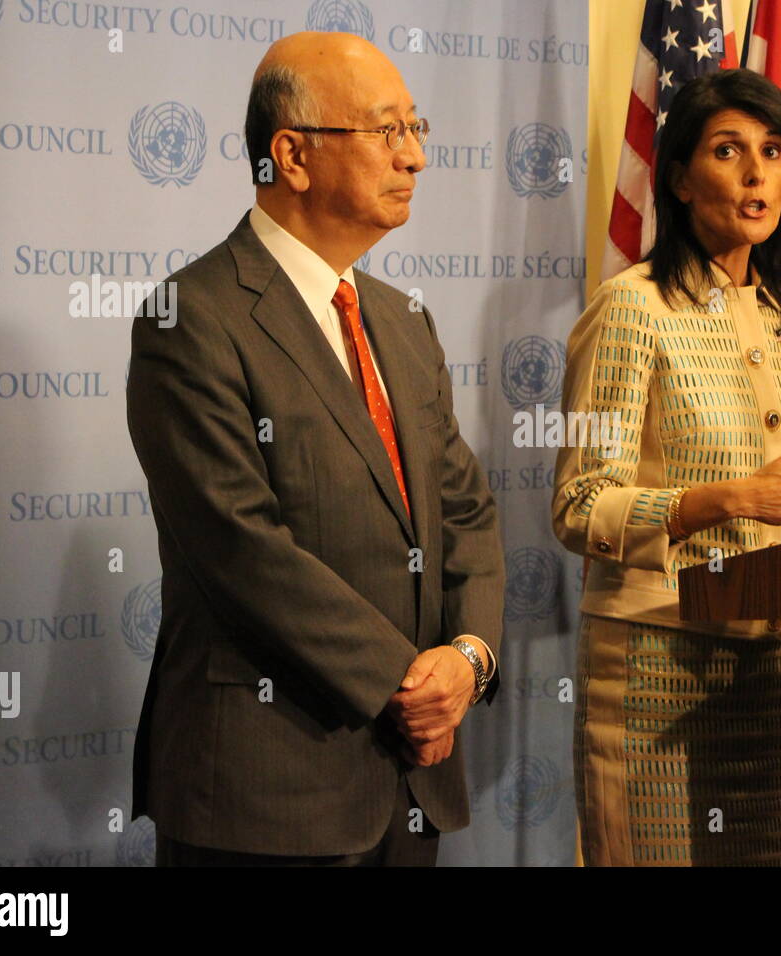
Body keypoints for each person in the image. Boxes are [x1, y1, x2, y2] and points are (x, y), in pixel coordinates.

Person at [125, 32, 504, 866]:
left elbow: (465, 513)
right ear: (292, 156)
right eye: (386, 131)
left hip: (411, 782)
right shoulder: (190, 316)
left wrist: (468, 661)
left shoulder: (402, 321)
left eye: (418, 128)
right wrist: (407, 685)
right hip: (266, 787)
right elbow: (241, 547)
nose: (415, 158)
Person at [552, 69, 781, 866]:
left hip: (772, 666)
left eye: (773, 151)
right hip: (656, 663)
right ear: (681, 179)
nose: (759, 173)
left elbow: (777, 507)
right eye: (729, 151)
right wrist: (728, 498)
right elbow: (581, 506)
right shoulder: (632, 307)